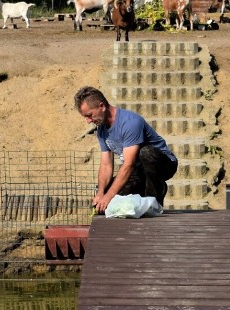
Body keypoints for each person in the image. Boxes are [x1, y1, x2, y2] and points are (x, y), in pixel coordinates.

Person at [74, 86, 178, 214]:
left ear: (102, 106)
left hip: (163, 164)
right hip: (138, 169)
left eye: (89, 115)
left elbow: (128, 164)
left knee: (146, 153)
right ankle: (144, 191)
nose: (88, 121)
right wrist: (101, 194)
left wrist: (108, 196)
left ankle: (154, 199)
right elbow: (106, 166)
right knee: (105, 202)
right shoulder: (101, 131)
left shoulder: (130, 122)